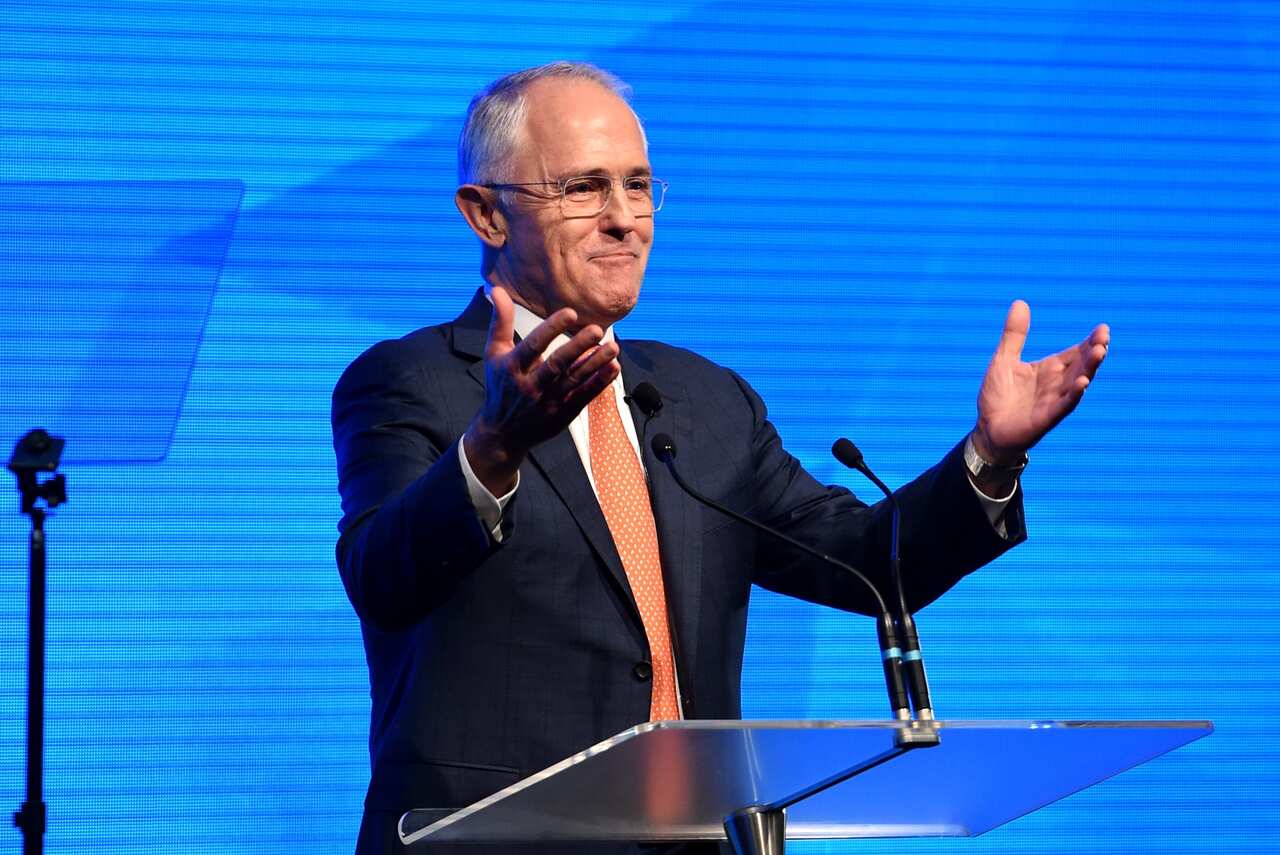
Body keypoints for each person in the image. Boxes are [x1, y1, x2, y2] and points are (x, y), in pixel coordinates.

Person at [331, 61, 1109, 854]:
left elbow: (869, 561)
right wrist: (496, 446)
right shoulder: (411, 382)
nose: (624, 217)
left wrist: (990, 454)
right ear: (486, 215)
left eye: (638, 186)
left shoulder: (705, 402)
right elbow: (382, 578)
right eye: (583, 188)